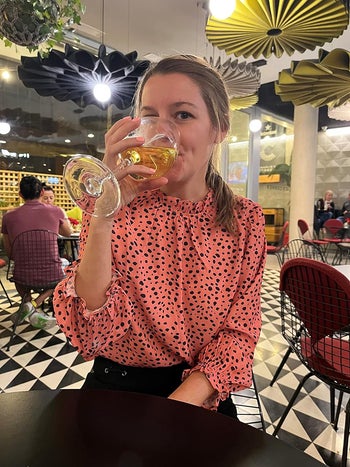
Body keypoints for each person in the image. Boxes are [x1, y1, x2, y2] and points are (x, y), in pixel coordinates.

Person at [53, 55, 266, 415]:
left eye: (183, 115)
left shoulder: (245, 220)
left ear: (219, 129)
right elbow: (92, 328)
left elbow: (240, 331)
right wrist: (104, 215)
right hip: (116, 391)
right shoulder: (113, 202)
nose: (162, 131)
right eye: (150, 117)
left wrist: (175, 409)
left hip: (201, 395)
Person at [1, 175, 72, 329]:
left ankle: (28, 304)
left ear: (20, 195)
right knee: (64, 277)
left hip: (22, 275)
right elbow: (68, 232)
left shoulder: (8, 217)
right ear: (41, 193)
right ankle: (34, 306)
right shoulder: (56, 211)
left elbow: (10, 252)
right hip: (52, 274)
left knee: (20, 279)